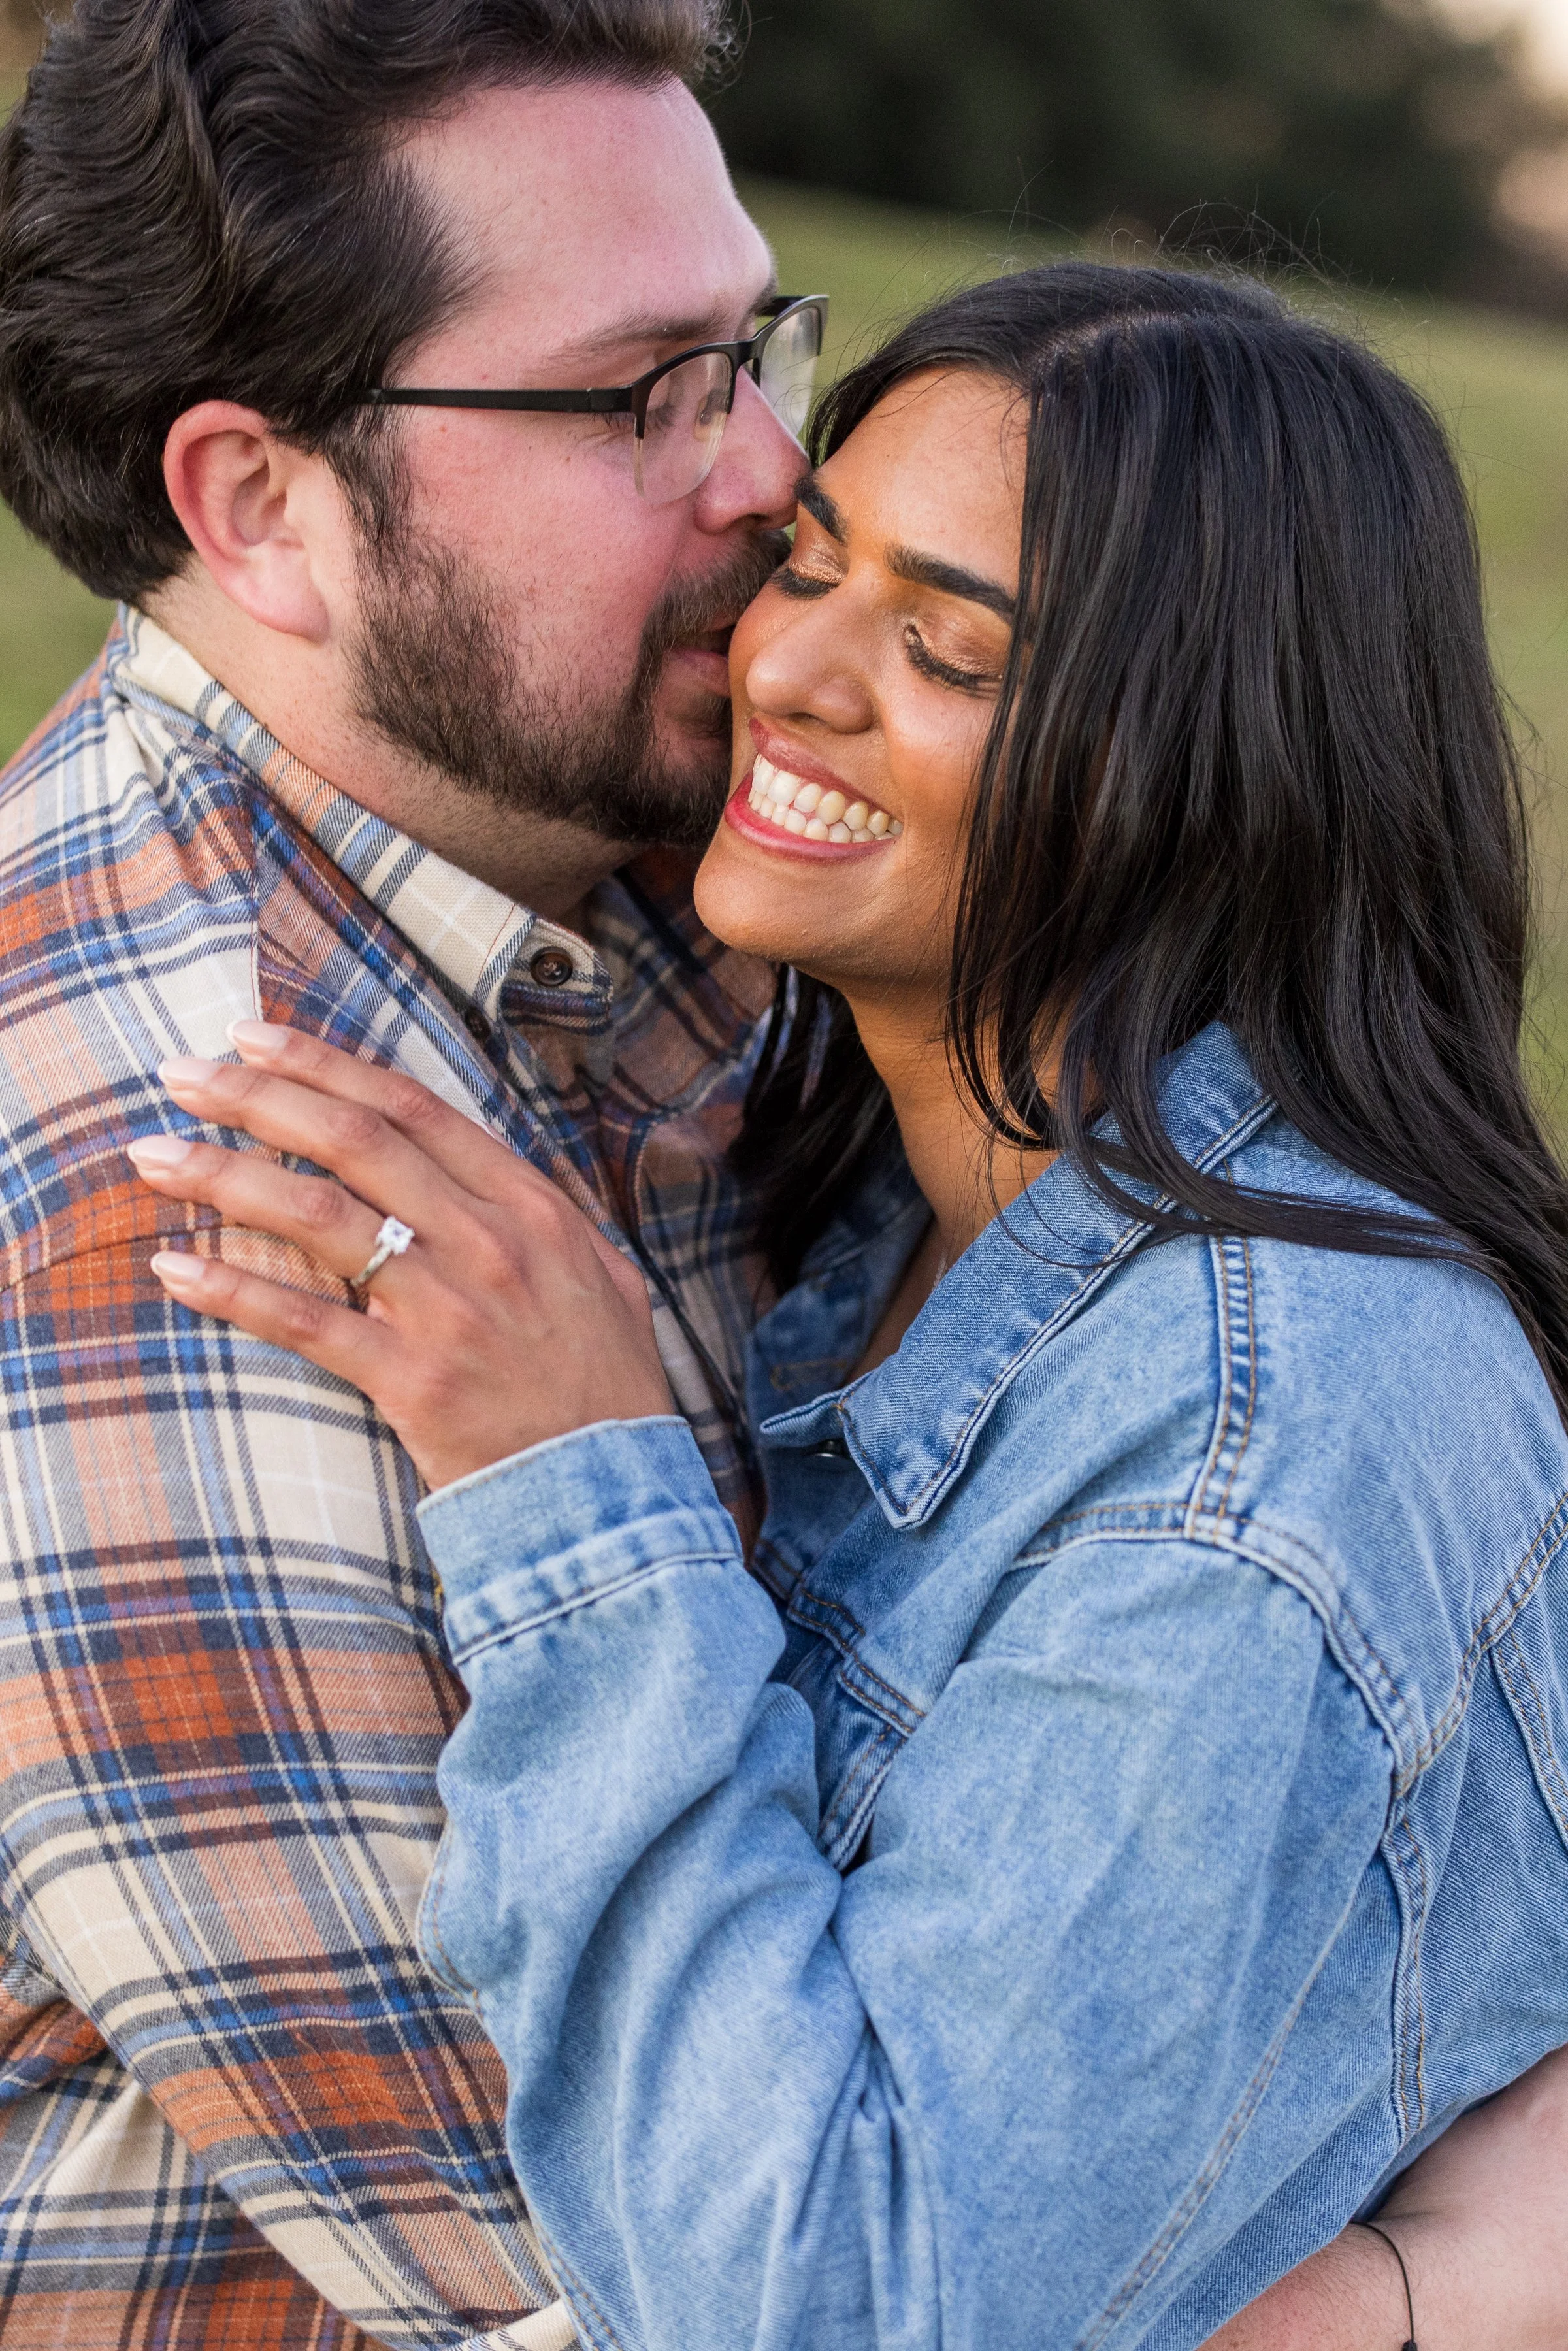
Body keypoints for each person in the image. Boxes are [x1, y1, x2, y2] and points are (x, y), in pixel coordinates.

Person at [128, 263, 1568, 2351]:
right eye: (810, 565)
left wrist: (573, 1493)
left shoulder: (1275, 1430)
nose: (788, 669)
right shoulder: (893, 1195)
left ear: (1198, 770)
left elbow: (832, 2306)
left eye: (947, 647)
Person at [0, 2, 807, 2343]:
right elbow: (687, 2285)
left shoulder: (577, 882)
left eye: (754, 349)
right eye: (638, 389)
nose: (765, 468)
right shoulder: (189, 1196)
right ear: (261, 507)